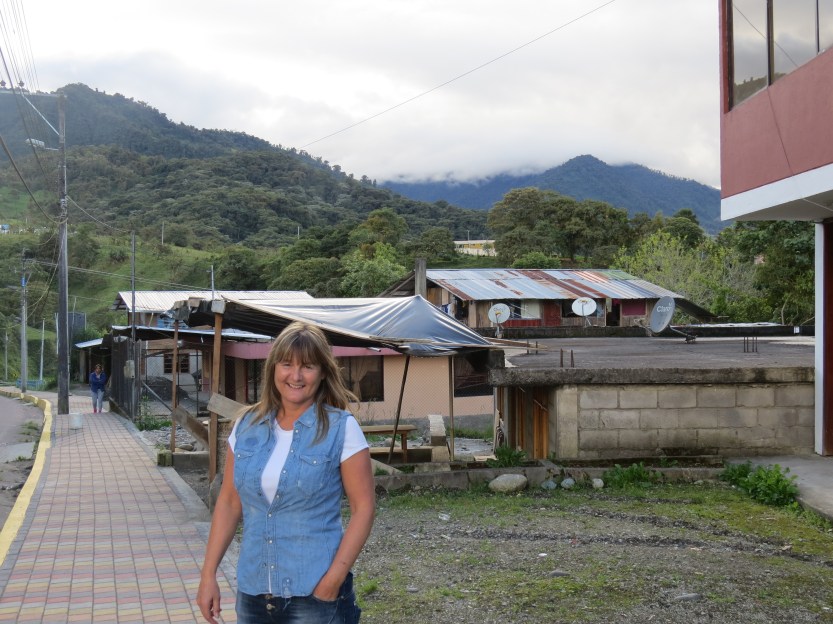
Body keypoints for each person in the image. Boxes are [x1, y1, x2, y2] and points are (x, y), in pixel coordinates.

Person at [197, 321, 375, 624]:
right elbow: (228, 502)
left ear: (322, 372)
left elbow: (364, 509)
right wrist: (208, 574)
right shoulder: (246, 426)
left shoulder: (342, 429)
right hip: (254, 596)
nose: (295, 375)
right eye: (286, 364)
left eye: (307, 366)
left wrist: (332, 581)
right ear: (273, 368)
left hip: (315, 596)